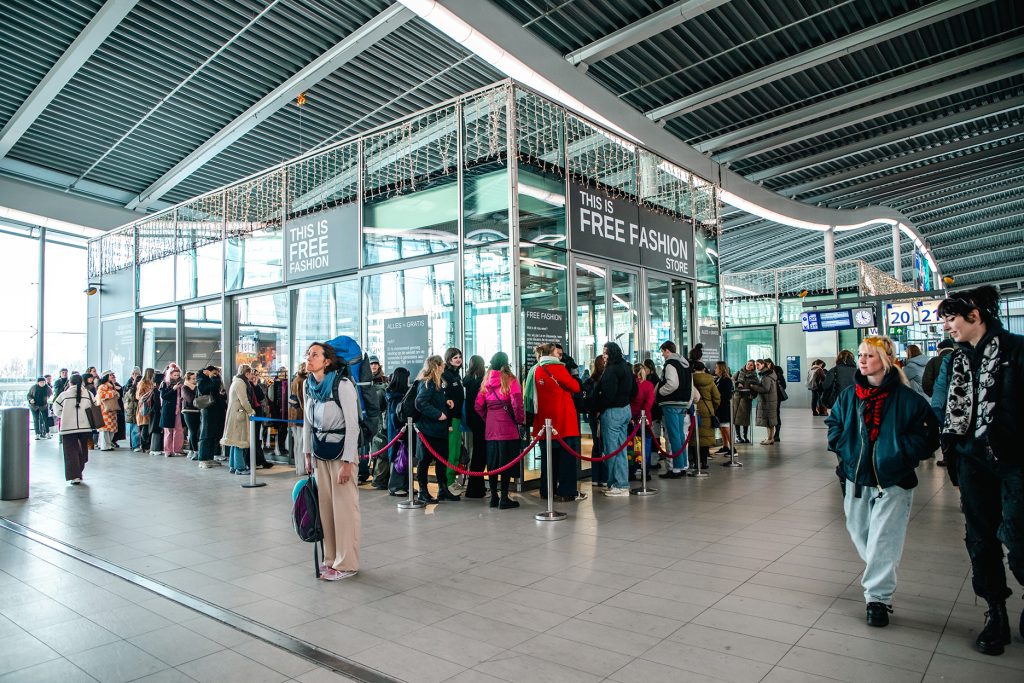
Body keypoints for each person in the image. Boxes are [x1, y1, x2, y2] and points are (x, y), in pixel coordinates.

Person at [933, 286, 1024, 655]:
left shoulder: (1017, 351)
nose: (948, 327)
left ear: (976, 315)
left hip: (1016, 462)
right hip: (971, 463)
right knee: (981, 539)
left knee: (1018, 539)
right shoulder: (955, 360)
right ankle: (995, 611)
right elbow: (942, 408)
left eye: (952, 319)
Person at [826, 336, 939, 628]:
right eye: (861, 355)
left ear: (885, 360)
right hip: (857, 476)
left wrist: (900, 454)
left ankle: (877, 598)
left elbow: (927, 435)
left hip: (894, 480)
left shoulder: (907, 399)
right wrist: (844, 449)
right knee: (859, 531)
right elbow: (835, 423)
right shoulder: (850, 396)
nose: (862, 360)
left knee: (884, 538)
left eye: (869, 356)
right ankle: (880, 567)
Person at [303, 341, 361, 581]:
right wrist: (307, 453)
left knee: (344, 510)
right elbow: (308, 423)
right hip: (320, 454)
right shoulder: (309, 386)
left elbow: (352, 424)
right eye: (308, 354)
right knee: (325, 509)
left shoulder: (343, 385)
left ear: (327, 361)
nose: (309, 357)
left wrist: (348, 461)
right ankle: (331, 559)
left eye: (314, 354)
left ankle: (347, 564)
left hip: (341, 455)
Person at [525, 343, 585, 502]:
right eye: (558, 353)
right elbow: (575, 387)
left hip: (544, 423)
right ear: (551, 353)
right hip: (563, 423)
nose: (560, 357)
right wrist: (574, 375)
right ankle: (567, 492)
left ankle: (547, 490)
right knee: (567, 462)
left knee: (548, 461)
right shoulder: (557, 368)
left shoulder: (535, 369)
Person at [474, 352, 525, 509]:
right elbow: (516, 403)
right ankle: (504, 497)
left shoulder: (486, 381)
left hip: (491, 427)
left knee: (493, 462)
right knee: (506, 463)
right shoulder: (510, 380)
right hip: (507, 427)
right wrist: (520, 420)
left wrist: (488, 418)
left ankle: (493, 497)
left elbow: (478, 405)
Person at [594, 341, 635, 497]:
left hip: (613, 412)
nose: (604, 356)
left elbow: (608, 395)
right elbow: (634, 390)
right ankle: (619, 483)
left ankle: (619, 484)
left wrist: (599, 408)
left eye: (605, 352)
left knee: (612, 450)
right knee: (621, 449)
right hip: (625, 410)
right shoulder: (626, 367)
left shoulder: (611, 370)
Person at [414, 355, 457, 504]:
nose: (444, 366)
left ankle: (442, 489)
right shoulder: (428, 383)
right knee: (424, 461)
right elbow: (420, 403)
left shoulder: (437, 382)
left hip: (438, 430)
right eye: (442, 364)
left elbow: (433, 399)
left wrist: (446, 401)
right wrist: (438, 414)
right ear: (437, 366)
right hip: (428, 430)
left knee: (442, 460)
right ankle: (423, 492)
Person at [657, 341, 698, 479]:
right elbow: (691, 386)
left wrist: (660, 392)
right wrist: (688, 402)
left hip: (671, 403)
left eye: (662, 352)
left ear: (667, 351)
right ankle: (682, 465)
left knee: (674, 436)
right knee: (680, 435)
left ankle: (676, 469)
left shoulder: (670, 364)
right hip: (683, 403)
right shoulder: (685, 364)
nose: (662, 355)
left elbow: (672, 384)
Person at [53, 375, 97, 485]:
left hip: (68, 428)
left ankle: (75, 476)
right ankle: (79, 471)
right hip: (85, 427)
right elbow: (95, 405)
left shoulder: (64, 395)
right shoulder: (88, 394)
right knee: (83, 451)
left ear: (70, 383)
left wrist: (64, 415)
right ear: (81, 382)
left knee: (70, 452)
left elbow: (56, 409)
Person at [222, 364, 256, 475]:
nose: (251, 375)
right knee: (239, 442)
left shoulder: (236, 382)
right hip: (239, 415)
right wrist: (251, 411)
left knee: (234, 441)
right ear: (246, 373)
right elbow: (244, 400)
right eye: (250, 373)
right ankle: (240, 468)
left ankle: (233, 465)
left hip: (235, 414)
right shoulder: (241, 384)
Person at [462, 355, 488, 499]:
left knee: (477, 451)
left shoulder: (467, 380)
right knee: (480, 453)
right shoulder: (480, 381)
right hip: (481, 419)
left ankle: (476, 487)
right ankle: (475, 488)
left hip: (471, 419)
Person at [384, 367, 410, 496]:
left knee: (404, 457)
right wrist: (401, 430)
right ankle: (396, 486)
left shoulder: (394, 394)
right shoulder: (396, 397)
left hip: (398, 431)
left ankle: (405, 485)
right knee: (399, 457)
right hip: (398, 432)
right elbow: (395, 416)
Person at [442, 347, 465, 488]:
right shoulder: (446, 375)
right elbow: (446, 400)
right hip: (451, 420)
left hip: (457, 418)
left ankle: (451, 481)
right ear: (449, 359)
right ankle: (448, 482)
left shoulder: (457, 375)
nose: (458, 359)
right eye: (455, 357)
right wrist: (449, 422)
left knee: (456, 451)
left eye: (459, 357)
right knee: (452, 452)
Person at [691, 361, 720, 472]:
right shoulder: (710, 381)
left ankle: (694, 461)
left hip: (694, 408)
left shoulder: (691, 380)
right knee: (705, 437)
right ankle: (704, 462)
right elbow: (717, 397)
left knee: (694, 437)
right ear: (703, 369)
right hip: (708, 409)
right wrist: (713, 407)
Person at [582, 356, 607, 487]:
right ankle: (604, 477)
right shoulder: (605, 379)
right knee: (605, 445)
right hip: (603, 414)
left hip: (593, 416)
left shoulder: (590, 380)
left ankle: (596, 477)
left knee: (596, 444)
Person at [196, 366, 226, 469]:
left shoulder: (213, 380)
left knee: (213, 435)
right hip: (208, 411)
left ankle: (210, 457)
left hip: (216, 411)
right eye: (214, 373)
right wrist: (213, 378)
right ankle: (203, 459)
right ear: (207, 372)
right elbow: (205, 389)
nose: (216, 375)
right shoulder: (201, 380)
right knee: (206, 435)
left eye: (217, 373)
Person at [629, 363, 655, 480]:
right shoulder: (649, 385)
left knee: (632, 446)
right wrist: (642, 416)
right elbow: (649, 404)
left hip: (631, 419)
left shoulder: (630, 385)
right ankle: (646, 470)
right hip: (645, 419)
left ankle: (632, 470)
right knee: (646, 445)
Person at [750, 359, 779, 445]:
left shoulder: (766, 376)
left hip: (768, 401)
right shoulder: (768, 374)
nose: (756, 366)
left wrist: (753, 387)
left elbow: (765, 389)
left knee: (770, 421)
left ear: (763, 365)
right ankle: (770, 437)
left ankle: (770, 438)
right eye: (756, 365)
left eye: (758, 364)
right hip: (769, 400)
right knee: (769, 420)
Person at [159, 364, 185, 457]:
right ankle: (167, 450)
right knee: (168, 431)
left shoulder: (181, 383)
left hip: (178, 409)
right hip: (168, 410)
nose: (177, 377)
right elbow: (164, 396)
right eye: (175, 375)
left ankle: (178, 449)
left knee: (179, 430)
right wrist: (173, 389)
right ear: (170, 375)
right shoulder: (165, 384)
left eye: (178, 375)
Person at [267, 367, 290, 458]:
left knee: (283, 430)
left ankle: (281, 448)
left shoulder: (284, 384)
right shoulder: (276, 385)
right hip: (279, 411)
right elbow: (272, 398)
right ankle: (280, 448)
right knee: (281, 430)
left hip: (283, 411)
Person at [289, 363, 308, 470]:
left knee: (298, 442)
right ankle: (301, 467)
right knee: (301, 442)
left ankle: (298, 467)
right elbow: (302, 400)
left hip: (293, 414)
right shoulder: (302, 380)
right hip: (299, 414)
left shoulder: (296, 379)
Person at [732, 360, 757, 443]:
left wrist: (752, 395)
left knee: (745, 419)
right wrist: (737, 384)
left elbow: (756, 388)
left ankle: (745, 436)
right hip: (737, 398)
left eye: (751, 365)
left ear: (753, 367)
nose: (749, 366)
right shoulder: (739, 373)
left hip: (746, 399)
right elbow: (731, 381)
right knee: (736, 418)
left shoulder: (754, 377)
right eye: (748, 364)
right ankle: (738, 437)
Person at [712, 361, 734, 456]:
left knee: (725, 427)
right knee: (722, 427)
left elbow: (726, 395)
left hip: (724, 407)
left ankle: (733, 449)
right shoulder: (719, 379)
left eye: (716, 367)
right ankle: (725, 446)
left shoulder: (726, 380)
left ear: (721, 369)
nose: (714, 369)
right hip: (719, 408)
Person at [95, 373, 120, 451]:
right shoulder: (102, 386)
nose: (112, 376)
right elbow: (101, 396)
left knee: (110, 429)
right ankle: (104, 446)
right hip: (105, 410)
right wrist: (113, 393)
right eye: (110, 375)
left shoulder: (111, 386)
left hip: (111, 410)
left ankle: (107, 444)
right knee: (104, 429)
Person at [135, 369, 156, 453]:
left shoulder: (151, 383)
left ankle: (148, 445)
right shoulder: (142, 383)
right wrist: (149, 394)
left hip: (151, 406)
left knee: (148, 426)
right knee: (145, 427)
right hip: (144, 407)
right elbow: (138, 396)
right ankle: (144, 446)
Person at [765, 359, 786, 441]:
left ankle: (777, 435)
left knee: (776, 415)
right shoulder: (765, 373)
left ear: (770, 364)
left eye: (766, 364)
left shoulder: (777, 372)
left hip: (776, 397)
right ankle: (770, 436)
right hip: (768, 398)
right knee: (770, 415)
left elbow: (784, 385)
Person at [181, 371, 200, 456]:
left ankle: (192, 450)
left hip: (197, 411)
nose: (195, 380)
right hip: (188, 412)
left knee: (195, 431)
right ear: (187, 379)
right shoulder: (185, 387)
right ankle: (194, 450)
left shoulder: (196, 387)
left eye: (195, 378)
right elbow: (190, 399)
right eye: (193, 378)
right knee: (193, 431)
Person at [123, 367, 141, 450]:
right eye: (133, 373)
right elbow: (130, 396)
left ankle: (135, 444)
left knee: (136, 427)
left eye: (136, 374)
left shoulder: (140, 382)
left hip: (136, 407)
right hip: (132, 408)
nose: (135, 375)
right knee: (134, 427)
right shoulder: (129, 384)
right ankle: (135, 445)